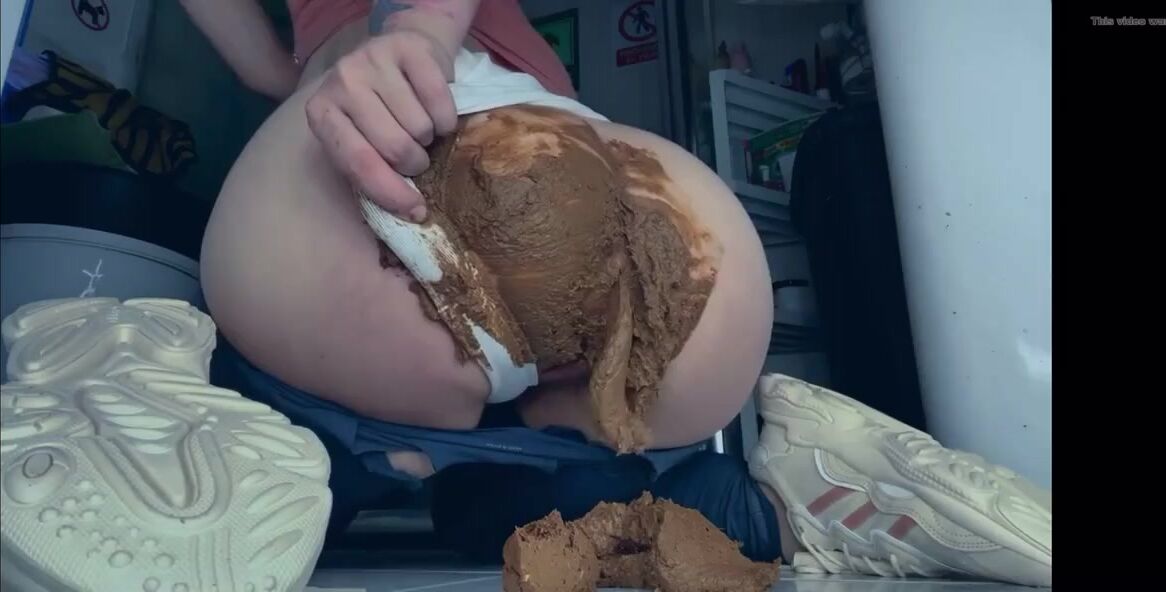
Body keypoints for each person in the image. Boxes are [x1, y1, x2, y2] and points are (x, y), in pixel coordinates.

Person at [174, 0, 1048, 587]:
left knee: (301, 458)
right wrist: (426, 29)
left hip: (383, 146)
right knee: (515, 508)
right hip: (584, 159)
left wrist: (339, 64)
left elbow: (263, 69)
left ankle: (232, 451)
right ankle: (779, 501)